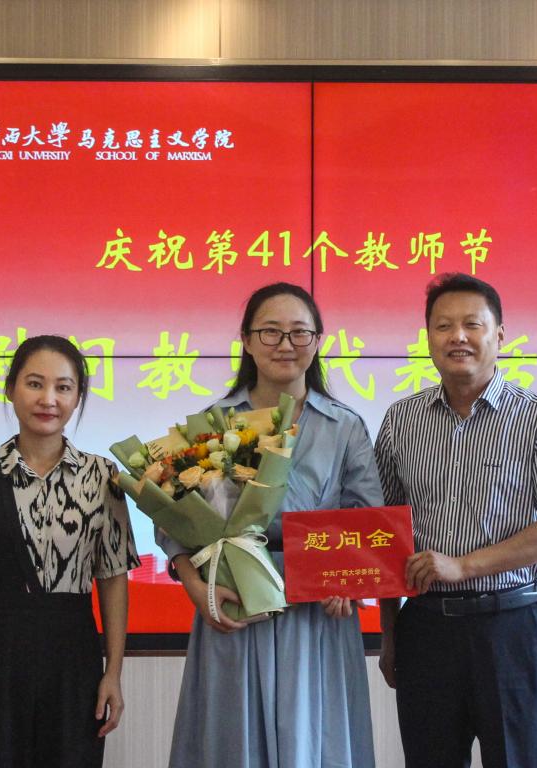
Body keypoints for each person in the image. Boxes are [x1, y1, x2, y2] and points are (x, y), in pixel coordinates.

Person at [374, 273, 537, 768]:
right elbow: (385, 533)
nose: (457, 336)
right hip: (425, 629)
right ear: (428, 337)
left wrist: (463, 566)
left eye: (471, 324)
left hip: (510, 626)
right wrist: (389, 635)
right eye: (443, 326)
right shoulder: (400, 421)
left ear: (499, 336)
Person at [158, 282, 382, 768]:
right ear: (246, 339)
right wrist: (194, 584)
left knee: (314, 745)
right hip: (233, 607)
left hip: (316, 618)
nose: (285, 344)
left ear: (318, 341)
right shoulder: (213, 422)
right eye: (271, 332)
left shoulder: (345, 426)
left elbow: (366, 519)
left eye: (300, 333)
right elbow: (172, 518)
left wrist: (348, 580)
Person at [0, 334, 140, 768]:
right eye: (34, 383)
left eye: (63, 387)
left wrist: (113, 673)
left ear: (78, 397)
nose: (48, 399)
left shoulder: (103, 477)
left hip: (73, 656)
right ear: (11, 389)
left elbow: (113, 580)